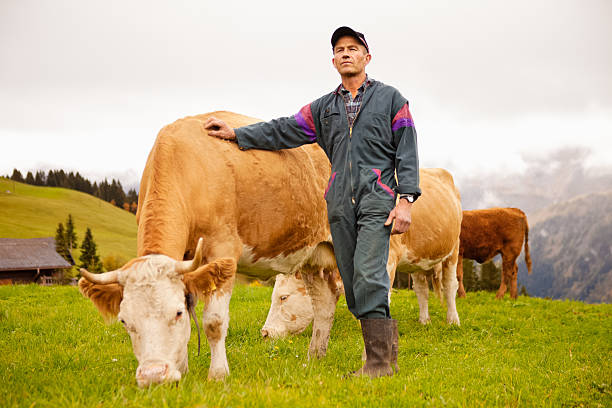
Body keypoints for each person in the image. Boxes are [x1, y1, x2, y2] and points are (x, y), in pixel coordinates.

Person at [204, 26, 420, 378]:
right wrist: (237, 134)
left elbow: (407, 150)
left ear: (367, 57)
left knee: (368, 275)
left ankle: (380, 363)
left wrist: (406, 199)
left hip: (377, 199)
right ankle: (383, 359)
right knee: (351, 283)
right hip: (338, 203)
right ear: (333, 61)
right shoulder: (324, 107)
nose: (346, 53)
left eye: (353, 48)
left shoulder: (392, 100)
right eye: (340, 50)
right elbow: (284, 129)